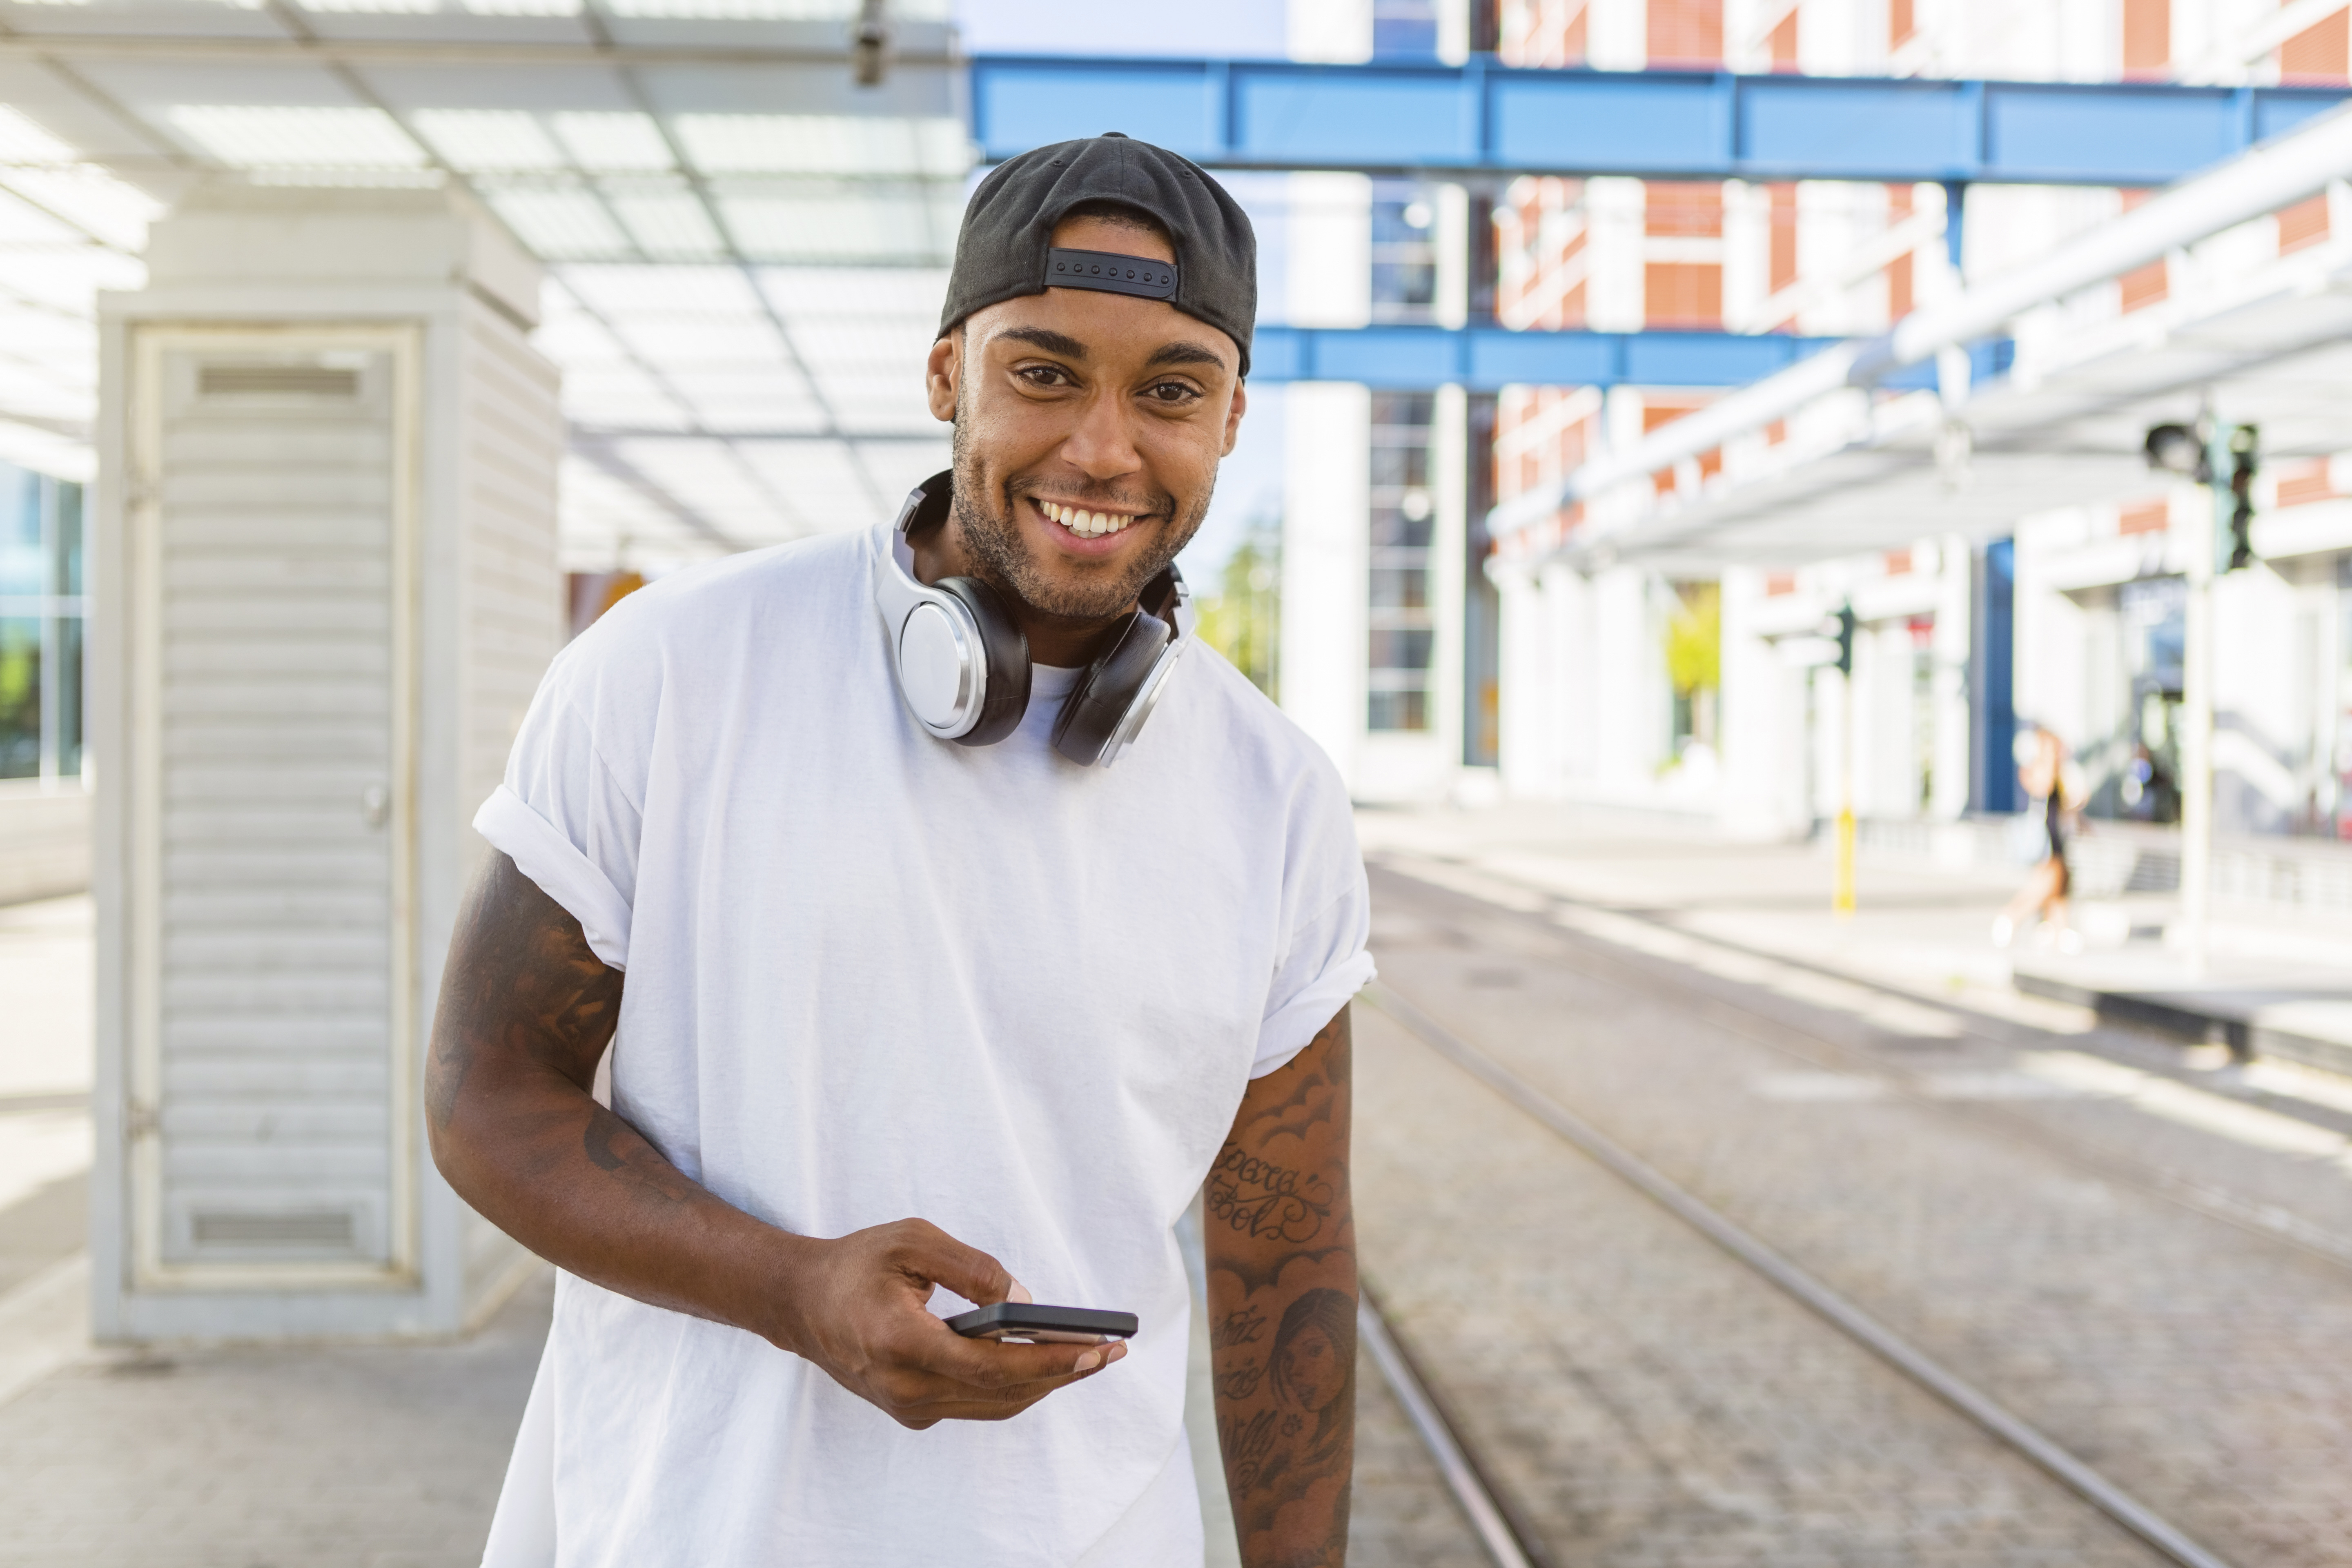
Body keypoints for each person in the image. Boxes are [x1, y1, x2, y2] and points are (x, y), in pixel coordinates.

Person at [425, 132, 1374, 1568]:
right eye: (1044, 372)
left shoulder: (1279, 798)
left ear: (1233, 418)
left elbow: (1285, 1270)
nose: (1104, 447)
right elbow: (484, 1094)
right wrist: (790, 1287)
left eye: (1170, 391)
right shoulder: (674, 670)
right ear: (947, 377)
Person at [1993, 724, 2078, 951]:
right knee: (2045, 886)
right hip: (2045, 839)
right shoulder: (2038, 768)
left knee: (2060, 884)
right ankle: (2011, 917)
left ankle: (2057, 929)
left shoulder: (2056, 770)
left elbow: (2070, 801)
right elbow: (2043, 788)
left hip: (2057, 836)